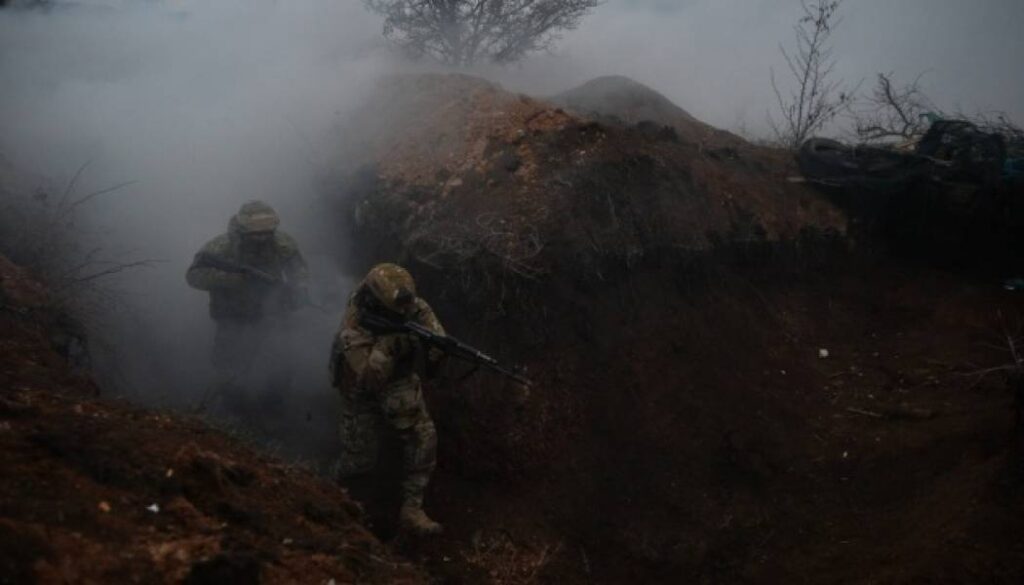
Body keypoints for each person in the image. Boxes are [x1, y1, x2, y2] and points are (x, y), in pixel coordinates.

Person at [329, 263, 445, 535]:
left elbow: (435, 331)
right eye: (399, 310)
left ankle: (412, 508)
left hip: (399, 381)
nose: (407, 312)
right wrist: (390, 344)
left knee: (423, 438)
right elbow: (368, 379)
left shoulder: (409, 304)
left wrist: (436, 348)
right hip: (361, 388)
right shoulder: (354, 325)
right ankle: (333, 499)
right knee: (359, 460)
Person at [186, 200, 309, 410]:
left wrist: (298, 291)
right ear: (243, 229)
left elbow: (299, 272)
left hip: (273, 314)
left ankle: (273, 408)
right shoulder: (221, 247)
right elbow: (194, 275)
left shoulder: (283, 244)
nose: (262, 238)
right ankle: (236, 412)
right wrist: (233, 280)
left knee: (283, 362)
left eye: (267, 233)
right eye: (256, 234)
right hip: (232, 316)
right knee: (229, 368)